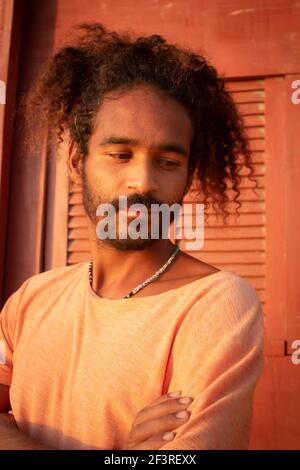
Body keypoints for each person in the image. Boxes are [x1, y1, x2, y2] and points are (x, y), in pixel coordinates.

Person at [0, 23, 264, 450]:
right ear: (76, 160)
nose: (142, 182)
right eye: (120, 155)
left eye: (167, 161)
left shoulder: (214, 304)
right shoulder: (31, 300)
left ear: (188, 176)